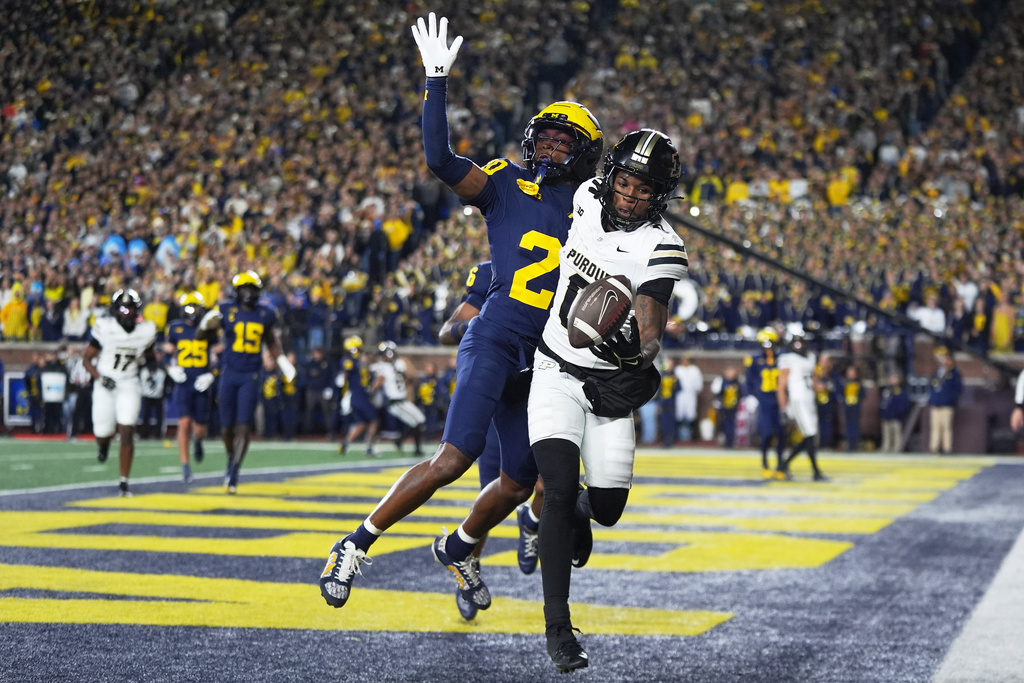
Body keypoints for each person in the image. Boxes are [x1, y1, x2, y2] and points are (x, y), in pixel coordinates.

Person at [319, 11, 604, 633]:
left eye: (565, 143)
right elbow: (439, 159)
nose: (552, 148)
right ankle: (355, 545)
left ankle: (458, 546)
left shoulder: (591, 208)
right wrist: (436, 82)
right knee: (453, 458)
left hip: (546, 358)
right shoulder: (505, 183)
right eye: (546, 138)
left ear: (584, 156)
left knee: (516, 481)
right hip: (497, 338)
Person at [527, 128, 688, 672]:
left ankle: (581, 510)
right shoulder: (584, 196)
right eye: (625, 181)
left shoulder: (662, 245)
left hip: (608, 383)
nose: (630, 196)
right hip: (553, 365)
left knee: (608, 509)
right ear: (610, 175)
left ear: (659, 195)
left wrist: (628, 343)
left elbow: (650, 333)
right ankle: (558, 629)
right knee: (556, 486)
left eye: (645, 189)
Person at [202, 271, 295, 493]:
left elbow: (272, 341)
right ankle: (231, 458)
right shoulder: (225, 309)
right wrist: (204, 325)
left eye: (251, 289)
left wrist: (282, 361)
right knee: (226, 429)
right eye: (244, 288)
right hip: (229, 372)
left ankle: (234, 471)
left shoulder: (266, 313)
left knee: (244, 425)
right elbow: (204, 335)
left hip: (251, 374)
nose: (247, 293)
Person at [82, 289, 157, 497]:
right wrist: (100, 377)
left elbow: (150, 357)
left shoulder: (146, 331)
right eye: (122, 308)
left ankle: (124, 481)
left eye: (130, 308)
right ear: (115, 311)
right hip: (106, 382)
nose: (126, 312)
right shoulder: (105, 328)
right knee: (102, 432)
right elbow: (86, 360)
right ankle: (103, 445)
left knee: (127, 430)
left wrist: (152, 373)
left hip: (129, 383)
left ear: (137, 310)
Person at [165, 291, 217, 484]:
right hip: (184, 383)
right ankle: (185, 465)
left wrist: (212, 375)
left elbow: (220, 357)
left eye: (197, 307)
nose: (194, 311)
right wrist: (170, 368)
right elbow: (165, 354)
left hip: (201, 383)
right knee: (184, 423)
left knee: (200, 429)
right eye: (190, 307)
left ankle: (199, 441)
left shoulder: (209, 330)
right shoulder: (175, 328)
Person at [776, 332, 827, 481]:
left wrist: (820, 386)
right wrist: (783, 407)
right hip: (798, 400)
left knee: (810, 437)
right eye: (795, 343)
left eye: (801, 343)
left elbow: (814, 380)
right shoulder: (787, 359)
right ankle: (816, 472)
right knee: (810, 435)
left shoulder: (810, 357)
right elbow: (781, 386)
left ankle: (784, 464)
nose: (798, 346)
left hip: (810, 399)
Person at [368, 341, 426, 455]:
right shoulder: (387, 366)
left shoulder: (397, 364)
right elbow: (378, 380)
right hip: (395, 402)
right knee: (416, 422)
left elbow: (406, 378)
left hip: (402, 401)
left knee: (420, 420)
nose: (389, 356)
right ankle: (415, 449)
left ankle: (400, 441)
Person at [746, 327, 787, 477]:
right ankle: (765, 462)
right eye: (765, 343)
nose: (768, 346)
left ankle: (780, 465)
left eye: (770, 342)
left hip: (779, 400)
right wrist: (750, 396)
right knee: (767, 433)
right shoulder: (755, 360)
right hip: (764, 401)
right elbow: (749, 381)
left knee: (781, 434)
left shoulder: (781, 358)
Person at [336, 335, 379, 456]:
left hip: (359, 395)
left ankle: (345, 443)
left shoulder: (358, 361)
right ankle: (369, 447)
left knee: (362, 423)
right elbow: (344, 375)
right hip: (359, 395)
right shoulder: (350, 361)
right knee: (374, 421)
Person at [928, 348, 963, 454]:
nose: (944, 361)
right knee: (935, 428)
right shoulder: (937, 373)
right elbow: (932, 387)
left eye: (947, 359)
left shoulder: (954, 374)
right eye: (943, 359)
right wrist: (932, 400)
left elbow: (958, 388)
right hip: (935, 404)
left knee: (946, 428)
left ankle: (947, 448)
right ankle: (934, 448)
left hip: (947, 405)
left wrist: (950, 399)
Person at [302, 346, 336, 439]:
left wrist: (329, 388)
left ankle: (330, 432)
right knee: (308, 412)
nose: (318, 355)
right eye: (316, 353)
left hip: (323, 391)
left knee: (327, 412)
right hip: (312, 391)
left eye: (319, 353)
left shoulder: (327, 363)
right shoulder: (310, 364)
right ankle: (306, 433)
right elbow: (306, 377)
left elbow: (331, 376)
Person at [879, 372, 911, 452]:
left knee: (896, 434)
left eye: (895, 379)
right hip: (886, 416)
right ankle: (886, 448)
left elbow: (903, 404)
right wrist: (882, 411)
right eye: (892, 379)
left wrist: (899, 413)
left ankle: (897, 449)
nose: (893, 380)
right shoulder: (886, 390)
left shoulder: (901, 390)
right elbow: (883, 402)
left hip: (896, 416)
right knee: (886, 434)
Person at [674, 354, 703, 441]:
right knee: (679, 414)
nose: (685, 361)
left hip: (690, 394)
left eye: (686, 359)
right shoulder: (678, 369)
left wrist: (696, 393)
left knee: (691, 414)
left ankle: (692, 435)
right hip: (680, 395)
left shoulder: (695, 370)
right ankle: (678, 435)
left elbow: (699, 385)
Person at [711, 366, 742, 448]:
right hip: (724, 407)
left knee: (732, 424)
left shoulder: (737, 383)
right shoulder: (723, 382)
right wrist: (719, 402)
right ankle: (725, 440)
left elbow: (740, 394)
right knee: (724, 424)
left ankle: (731, 441)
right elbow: (719, 394)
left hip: (733, 407)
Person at [841, 365, 864, 451]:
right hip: (847, 408)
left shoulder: (858, 384)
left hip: (855, 408)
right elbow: (841, 394)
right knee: (848, 426)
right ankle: (849, 443)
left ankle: (854, 444)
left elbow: (862, 395)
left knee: (854, 426)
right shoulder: (844, 383)